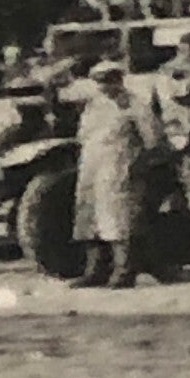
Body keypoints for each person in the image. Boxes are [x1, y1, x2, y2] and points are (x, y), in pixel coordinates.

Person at [66, 59, 157, 289]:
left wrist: (136, 162)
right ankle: (95, 271)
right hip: (91, 165)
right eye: (100, 81)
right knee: (90, 218)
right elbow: (84, 135)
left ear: (119, 80)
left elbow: (151, 139)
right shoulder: (93, 105)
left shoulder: (135, 104)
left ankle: (124, 271)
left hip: (118, 165)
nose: (104, 86)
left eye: (109, 80)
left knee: (117, 220)